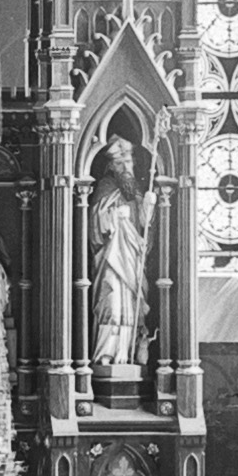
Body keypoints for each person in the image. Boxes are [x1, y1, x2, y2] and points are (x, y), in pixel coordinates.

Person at [89, 135, 154, 393]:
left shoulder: (135, 191)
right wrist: (114, 216)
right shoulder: (106, 187)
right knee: (112, 302)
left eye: (129, 162)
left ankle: (125, 354)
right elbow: (94, 225)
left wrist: (148, 206)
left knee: (130, 307)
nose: (126, 167)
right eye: (121, 162)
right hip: (111, 259)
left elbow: (146, 230)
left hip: (132, 260)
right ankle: (105, 354)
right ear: (112, 165)